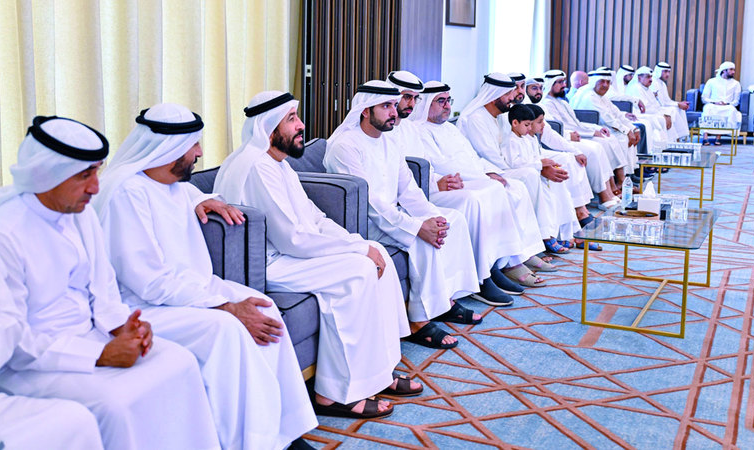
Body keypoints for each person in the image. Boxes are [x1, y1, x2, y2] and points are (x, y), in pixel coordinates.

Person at [93, 104, 318, 448]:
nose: (199, 153)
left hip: (189, 291)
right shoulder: (126, 192)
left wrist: (208, 199)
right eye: (193, 145)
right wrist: (224, 306)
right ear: (167, 149)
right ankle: (246, 441)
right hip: (143, 306)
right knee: (228, 328)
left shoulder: (172, 183)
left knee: (264, 308)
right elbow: (149, 281)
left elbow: (191, 193)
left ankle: (284, 432)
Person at [0, 115, 219, 450]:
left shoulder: (80, 211)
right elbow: (13, 339)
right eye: (84, 175)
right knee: (116, 404)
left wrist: (125, 328)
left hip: (93, 335)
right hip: (36, 361)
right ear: (47, 175)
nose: (95, 188)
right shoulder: (7, 232)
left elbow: (104, 289)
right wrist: (98, 354)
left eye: (96, 172)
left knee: (180, 362)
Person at [213, 90, 420, 419]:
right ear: (268, 127)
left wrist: (355, 241)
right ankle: (335, 394)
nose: (301, 125)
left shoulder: (277, 164)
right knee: (358, 271)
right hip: (270, 265)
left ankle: (379, 374)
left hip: (291, 254)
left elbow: (314, 218)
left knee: (376, 251)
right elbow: (292, 239)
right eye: (291, 119)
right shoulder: (257, 167)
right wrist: (357, 249)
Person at [324, 81, 483, 350]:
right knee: (420, 239)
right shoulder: (345, 146)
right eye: (386, 106)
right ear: (366, 110)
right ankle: (418, 321)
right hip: (362, 222)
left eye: (393, 105)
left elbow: (408, 188)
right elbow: (369, 203)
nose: (394, 111)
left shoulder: (389, 140)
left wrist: (432, 217)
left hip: (390, 214)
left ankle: (445, 300)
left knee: (451, 220)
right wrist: (417, 227)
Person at [386, 71, 550, 293]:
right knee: (476, 199)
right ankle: (486, 273)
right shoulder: (418, 129)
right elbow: (435, 166)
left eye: (448, 101)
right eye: (440, 101)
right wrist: (441, 181)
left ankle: (505, 261)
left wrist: (488, 171)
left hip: (459, 180)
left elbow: (472, 156)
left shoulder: (448, 128)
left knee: (501, 188)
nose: (447, 106)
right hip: (441, 186)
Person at [468, 73, 596, 236]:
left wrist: (546, 162)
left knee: (561, 163)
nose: (514, 96)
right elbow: (492, 157)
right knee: (536, 174)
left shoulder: (504, 113)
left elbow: (543, 135)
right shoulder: (477, 118)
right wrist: (539, 167)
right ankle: (545, 234)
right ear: (494, 95)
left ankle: (568, 227)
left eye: (518, 88)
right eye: (509, 93)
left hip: (519, 161)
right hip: (498, 169)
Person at [0, 257, 104, 450]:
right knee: (110, 405)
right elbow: (21, 342)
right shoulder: (7, 240)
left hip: (85, 336)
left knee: (77, 421)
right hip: (30, 358)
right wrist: (98, 354)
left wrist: (119, 325)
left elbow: (8, 324)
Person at [539, 69, 625, 206]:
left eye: (563, 81)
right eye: (559, 82)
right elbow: (559, 127)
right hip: (564, 139)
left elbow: (576, 123)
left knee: (601, 144)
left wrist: (595, 129)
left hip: (575, 135)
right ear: (550, 84)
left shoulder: (562, 102)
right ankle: (604, 195)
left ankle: (611, 190)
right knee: (594, 149)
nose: (564, 85)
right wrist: (586, 133)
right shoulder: (546, 104)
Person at [570, 69, 642, 189]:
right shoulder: (589, 96)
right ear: (594, 82)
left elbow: (616, 113)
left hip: (602, 128)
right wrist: (627, 131)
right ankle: (622, 179)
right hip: (591, 129)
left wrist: (633, 129)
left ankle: (628, 176)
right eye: (602, 81)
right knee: (621, 137)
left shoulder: (601, 96)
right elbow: (607, 118)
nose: (605, 85)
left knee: (626, 135)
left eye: (608, 82)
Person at [626, 66, 684, 141]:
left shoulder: (647, 89)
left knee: (668, 115)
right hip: (638, 114)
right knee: (661, 119)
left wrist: (665, 114)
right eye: (648, 77)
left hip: (651, 113)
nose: (651, 79)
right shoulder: (636, 88)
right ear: (639, 78)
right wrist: (663, 114)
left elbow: (656, 106)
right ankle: (663, 143)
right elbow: (645, 108)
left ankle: (672, 142)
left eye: (651, 77)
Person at [701, 61, 742, 145]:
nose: (733, 72)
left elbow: (736, 101)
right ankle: (705, 138)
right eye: (731, 70)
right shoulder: (711, 81)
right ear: (724, 70)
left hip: (727, 106)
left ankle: (718, 137)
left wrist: (727, 104)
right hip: (712, 104)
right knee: (707, 109)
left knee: (731, 110)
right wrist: (715, 102)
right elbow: (704, 98)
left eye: (734, 70)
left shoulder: (736, 84)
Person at [651, 61, 691, 137]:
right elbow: (661, 103)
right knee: (674, 110)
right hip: (655, 108)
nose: (668, 74)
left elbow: (667, 101)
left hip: (662, 107)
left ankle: (682, 136)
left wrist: (679, 104)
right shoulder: (653, 82)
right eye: (665, 71)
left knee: (680, 109)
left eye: (669, 72)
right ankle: (676, 137)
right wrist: (678, 104)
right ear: (659, 71)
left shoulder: (662, 84)